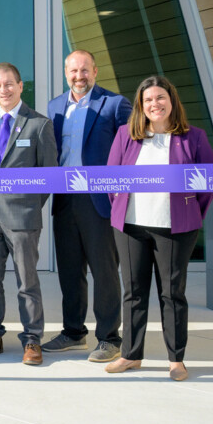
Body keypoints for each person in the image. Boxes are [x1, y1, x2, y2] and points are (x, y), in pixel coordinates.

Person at [104, 76, 213, 381]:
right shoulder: (125, 135)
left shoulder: (194, 137)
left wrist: (190, 213)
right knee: (134, 293)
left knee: (172, 294)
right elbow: (112, 180)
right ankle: (130, 354)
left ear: (172, 101)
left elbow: (208, 185)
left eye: (160, 98)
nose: (155, 104)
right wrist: (122, 210)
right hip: (131, 227)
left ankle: (176, 359)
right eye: (148, 100)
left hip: (175, 228)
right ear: (141, 106)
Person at [44, 49, 132, 364]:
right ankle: (73, 333)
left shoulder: (115, 104)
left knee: (104, 270)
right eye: (73, 71)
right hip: (65, 197)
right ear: (66, 73)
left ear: (95, 71)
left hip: (100, 199)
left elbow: (133, 146)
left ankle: (110, 338)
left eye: (84, 70)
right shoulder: (55, 106)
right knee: (70, 270)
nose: (79, 77)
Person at [0, 64, 57, 364]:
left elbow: (48, 177)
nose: (3, 90)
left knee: (26, 282)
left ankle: (33, 340)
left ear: (21, 86)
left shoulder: (39, 124)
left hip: (22, 217)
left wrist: (29, 206)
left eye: (8, 84)